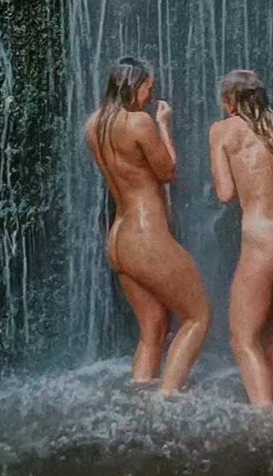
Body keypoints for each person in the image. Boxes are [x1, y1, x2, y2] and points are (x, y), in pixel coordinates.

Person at [85, 57, 211, 392]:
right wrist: (165, 125)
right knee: (198, 316)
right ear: (134, 85)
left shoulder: (94, 125)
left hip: (119, 237)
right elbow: (167, 171)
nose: (149, 95)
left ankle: (140, 399)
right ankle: (166, 402)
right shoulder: (139, 122)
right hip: (146, 235)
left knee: (153, 328)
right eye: (148, 88)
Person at [209, 69, 273, 409]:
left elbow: (225, 193)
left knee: (244, 340)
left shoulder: (224, 130)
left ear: (229, 102)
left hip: (265, 239)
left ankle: (266, 427)